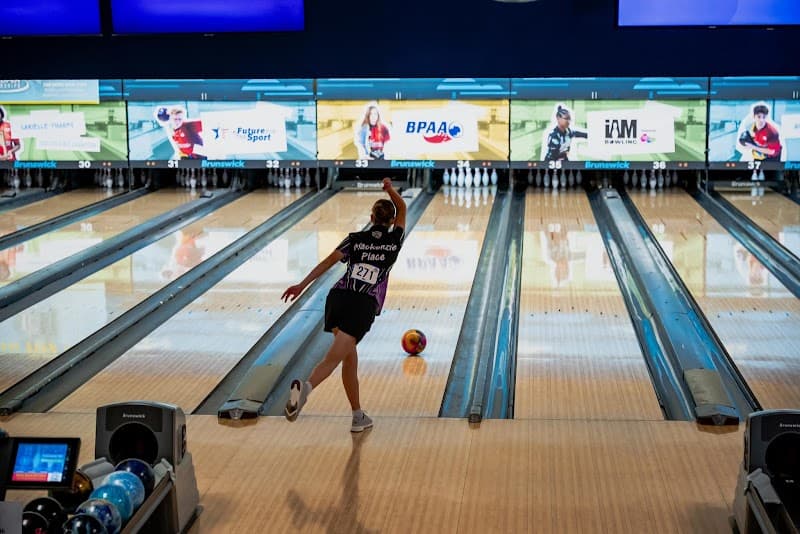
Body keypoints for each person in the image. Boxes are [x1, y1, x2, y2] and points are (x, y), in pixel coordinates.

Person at [282, 177, 407, 432]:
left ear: (371, 217)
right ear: (391, 221)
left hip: (337, 299)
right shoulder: (394, 240)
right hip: (362, 305)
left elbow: (328, 262)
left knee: (349, 359)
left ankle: (357, 415)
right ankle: (304, 390)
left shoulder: (355, 239)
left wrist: (301, 285)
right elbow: (403, 209)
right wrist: (390, 189)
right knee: (331, 360)